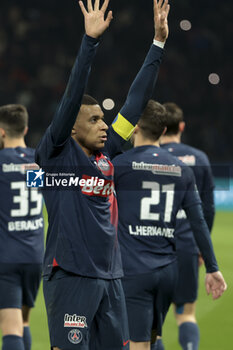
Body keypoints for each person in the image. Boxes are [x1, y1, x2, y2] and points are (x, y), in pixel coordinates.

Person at [35, 0, 170, 349]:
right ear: (72, 127)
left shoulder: (108, 155)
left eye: (103, 119)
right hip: (70, 276)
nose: (104, 126)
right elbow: (71, 97)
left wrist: (158, 43)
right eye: (93, 120)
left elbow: (135, 103)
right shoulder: (57, 154)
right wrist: (89, 42)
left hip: (111, 278)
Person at [112, 99, 227, 350]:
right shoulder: (182, 169)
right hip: (167, 272)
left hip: (135, 270)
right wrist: (212, 267)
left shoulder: (119, 166)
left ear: (134, 128)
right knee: (154, 336)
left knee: (137, 343)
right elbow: (198, 220)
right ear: (164, 131)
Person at [158, 102, 215, 350]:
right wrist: (202, 246)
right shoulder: (199, 158)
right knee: (186, 315)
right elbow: (208, 209)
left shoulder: (147, 157)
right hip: (187, 247)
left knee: (151, 324)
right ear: (181, 126)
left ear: (159, 128)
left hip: (153, 246)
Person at [0, 104, 44, 350]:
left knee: (11, 328)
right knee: (24, 321)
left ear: (1, 132)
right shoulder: (37, 162)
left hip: (6, 256)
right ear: (25, 128)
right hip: (34, 255)